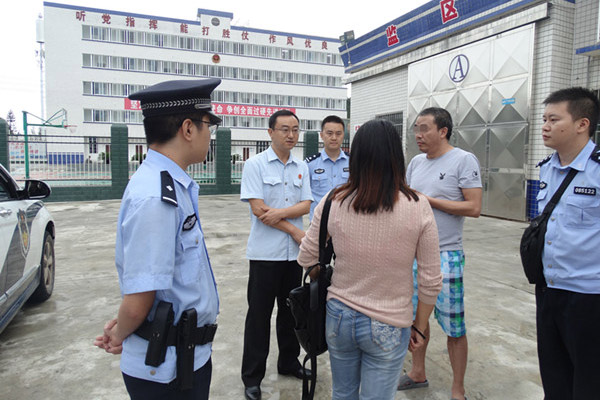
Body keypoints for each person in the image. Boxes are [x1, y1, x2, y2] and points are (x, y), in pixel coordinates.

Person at [93, 78, 222, 400]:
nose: (211, 135)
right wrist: (119, 333)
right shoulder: (156, 197)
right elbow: (139, 300)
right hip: (166, 367)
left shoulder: (173, 185)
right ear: (188, 129)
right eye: (209, 126)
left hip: (184, 356)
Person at [298, 119, 443, 400]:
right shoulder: (417, 206)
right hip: (390, 321)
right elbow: (430, 280)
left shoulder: (334, 200)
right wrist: (420, 326)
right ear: (396, 157)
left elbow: (306, 257)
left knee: (342, 394)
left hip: (339, 316)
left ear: (357, 156)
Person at [398, 107, 482, 400]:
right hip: (412, 254)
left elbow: (474, 207)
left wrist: (429, 201)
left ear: (443, 131)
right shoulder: (416, 163)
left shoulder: (463, 160)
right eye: (416, 130)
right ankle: (417, 373)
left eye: (424, 129)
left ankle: (458, 389)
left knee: (454, 326)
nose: (418, 135)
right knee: (415, 320)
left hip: (447, 255)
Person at [239, 110, 313, 400]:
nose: (291, 135)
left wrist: (279, 214)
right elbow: (259, 211)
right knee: (258, 316)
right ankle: (252, 377)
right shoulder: (255, 165)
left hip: (291, 258)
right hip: (264, 255)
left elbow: (306, 204)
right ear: (270, 132)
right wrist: (295, 231)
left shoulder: (301, 167)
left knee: (290, 312)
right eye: (284, 129)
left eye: (295, 129)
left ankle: (288, 362)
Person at [535, 87, 600, 399]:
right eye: (544, 119)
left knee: (588, 382)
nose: (545, 125)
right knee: (555, 377)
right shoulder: (547, 167)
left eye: (553, 119)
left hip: (589, 295)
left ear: (582, 124)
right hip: (549, 290)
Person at [305, 115, 349, 220]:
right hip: (318, 223)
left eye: (338, 133)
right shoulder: (309, 165)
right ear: (321, 135)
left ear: (343, 135)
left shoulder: (353, 163)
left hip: (345, 221)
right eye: (329, 133)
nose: (334, 137)